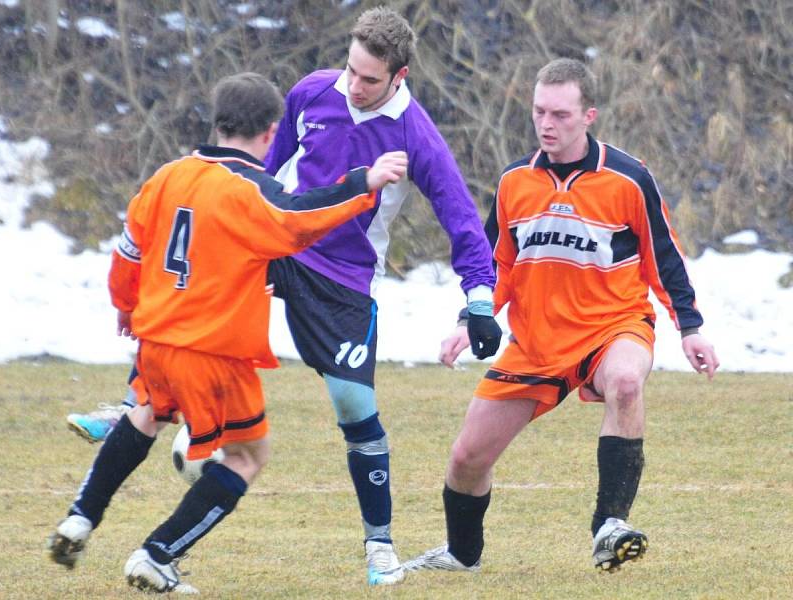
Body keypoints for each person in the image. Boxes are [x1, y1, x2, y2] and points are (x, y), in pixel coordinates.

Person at [64, 6, 501, 586]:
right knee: (191, 293)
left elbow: (461, 218)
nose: (354, 84)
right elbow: (256, 175)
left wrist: (478, 298)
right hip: (280, 245)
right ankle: (135, 403)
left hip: (342, 278)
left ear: (400, 75)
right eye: (351, 69)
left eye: (370, 78)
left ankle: (379, 547)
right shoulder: (311, 92)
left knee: (355, 408)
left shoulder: (414, 132)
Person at [47, 71, 408, 593]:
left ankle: (80, 518)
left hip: (156, 340)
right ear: (269, 132)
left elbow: (128, 251)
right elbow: (299, 219)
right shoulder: (253, 191)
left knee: (144, 415)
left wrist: (126, 306)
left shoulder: (167, 176)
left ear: (217, 124)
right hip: (214, 351)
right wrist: (363, 184)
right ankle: (158, 554)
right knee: (246, 457)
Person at [403, 57, 719, 575]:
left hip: (613, 326)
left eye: (561, 114)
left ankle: (609, 525)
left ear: (588, 115)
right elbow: (495, 264)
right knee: (467, 459)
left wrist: (691, 327)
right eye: (538, 112)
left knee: (624, 383)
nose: (547, 124)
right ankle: (462, 555)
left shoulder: (628, 179)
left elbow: (665, 257)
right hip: (537, 344)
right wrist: (471, 318)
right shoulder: (513, 184)